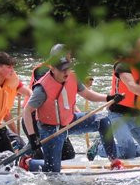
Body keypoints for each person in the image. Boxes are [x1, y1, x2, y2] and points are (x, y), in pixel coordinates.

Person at [20, 44, 116, 172]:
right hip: (50, 128)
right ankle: (27, 162)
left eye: (68, 68)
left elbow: (87, 94)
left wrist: (109, 98)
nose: (66, 72)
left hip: (69, 120)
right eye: (62, 69)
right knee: (53, 170)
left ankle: (114, 161)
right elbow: (27, 111)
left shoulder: (73, 77)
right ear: (53, 69)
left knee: (102, 120)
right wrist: (32, 138)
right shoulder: (42, 88)